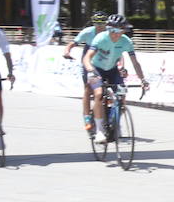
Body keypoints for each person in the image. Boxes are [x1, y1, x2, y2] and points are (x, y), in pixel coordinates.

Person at [83, 15, 149, 143]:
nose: (115, 34)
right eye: (112, 31)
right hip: (96, 68)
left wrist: (143, 79)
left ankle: (115, 122)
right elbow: (87, 58)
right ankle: (99, 131)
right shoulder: (101, 38)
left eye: (119, 31)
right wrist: (91, 71)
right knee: (99, 94)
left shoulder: (126, 41)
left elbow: (135, 63)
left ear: (123, 31)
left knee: (122, 94)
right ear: (108, 29)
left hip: (112, 70)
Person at [63, 11, 109, 133]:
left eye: (102, 23)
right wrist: (67, 51)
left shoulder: (110, 32)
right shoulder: (88, 32)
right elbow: (72, 43)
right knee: (88, 89)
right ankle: (87, 117)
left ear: (106, 23)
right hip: (89, 62)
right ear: (93, 23)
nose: (99, 26)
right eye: (96, 23)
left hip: (104, 61)